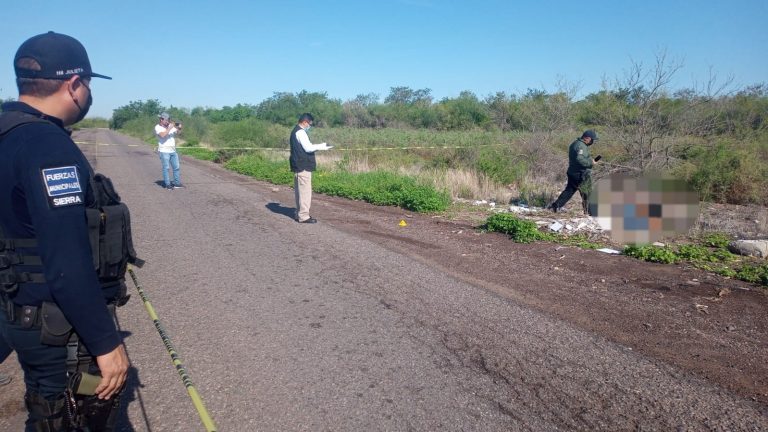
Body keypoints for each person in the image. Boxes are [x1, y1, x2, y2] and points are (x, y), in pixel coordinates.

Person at [0, 31, 133, 431]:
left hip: (15, 302)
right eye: (88, 84)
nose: (88, 94)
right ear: (74, 85)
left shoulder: (8, 132)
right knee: (66, 414)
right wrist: (107, 344)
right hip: (50, 322)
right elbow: (66, 262)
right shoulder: (48, 146)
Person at [289, 113, 331, 223]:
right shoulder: (301, 132)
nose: (310, 126)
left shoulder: (295, 131)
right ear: (305, 122)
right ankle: (304, 216)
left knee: (299, 192)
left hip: (298, 166)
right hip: (303, 166)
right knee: (305, 193)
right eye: (310, 124)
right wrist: (323, 146)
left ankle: (299, 214)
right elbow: (308, 148)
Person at [548, 130, 601, 215]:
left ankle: (555, 206)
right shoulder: (580, 146)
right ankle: (590, 212)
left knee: (569, 191)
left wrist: (589, 160)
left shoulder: (577, 144)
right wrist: (591, 162)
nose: (592, 142)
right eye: (592, 140)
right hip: (581, 173)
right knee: (587, 193)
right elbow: (579, 159)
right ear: (587, 138)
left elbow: (579, 158)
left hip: (574, 172)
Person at [155, 111, 184, 189]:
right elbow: (162, 135)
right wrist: (169, 128)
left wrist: (179, 128)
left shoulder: (171, 126)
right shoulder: (158, 127)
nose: (168, 121)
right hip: (164, 151)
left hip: (173, 151)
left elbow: (179, 133)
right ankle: (167, 184)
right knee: (166, 168)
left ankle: (177, 183)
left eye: (168, 120)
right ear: (161, 119)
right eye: (166, 120)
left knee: (176, 167)